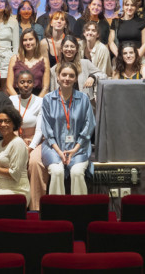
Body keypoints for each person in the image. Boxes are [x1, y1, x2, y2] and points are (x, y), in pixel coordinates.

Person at [42, 62, 95, 196]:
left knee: (77, 172)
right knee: (56, 171)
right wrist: (60, 152)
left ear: (76, 78)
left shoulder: (83, 99)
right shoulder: (48, 99)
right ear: (58, 77)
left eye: (71, 76)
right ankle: (56, 210)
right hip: (53, 147)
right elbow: (47, 129)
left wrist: (74, 150)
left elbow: (89, 126)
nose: (67, 78)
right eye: (64, 75)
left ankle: (80, 209)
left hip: (78, 147)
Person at [9, 71, 45, 209]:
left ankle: (36, 207)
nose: (26, 85)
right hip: (15, 139)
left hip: (36, 141)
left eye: (29, 82)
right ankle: (16, 206)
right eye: (22, 82)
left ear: (34, 84)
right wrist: (18, 142)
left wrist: (29, 148)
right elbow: (9, 125)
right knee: (12, 160)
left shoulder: (40, 101)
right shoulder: (11, 100)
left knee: (35, 163)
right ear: (17, 84)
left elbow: (40, 130)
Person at [50, 35, 106, 101]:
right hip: (63, 105)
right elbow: (52, 92)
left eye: (72, 46)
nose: (69, 49)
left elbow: (104, 75)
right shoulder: (54, 69)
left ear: (77, 49)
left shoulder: (85, 63)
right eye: (66, 46)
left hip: (84, 104)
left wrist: (93, 77)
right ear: (61, 49)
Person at [6, 28, 50, 96]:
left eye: (31, 39)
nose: (28, 43)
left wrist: (36, 103)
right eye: (25, 40)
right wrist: (18, 102)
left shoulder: (44, 60)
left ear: (36, 41)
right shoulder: (14, 59)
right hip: (17, 99)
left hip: (37, 100)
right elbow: (9, 87)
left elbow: (46, 88)